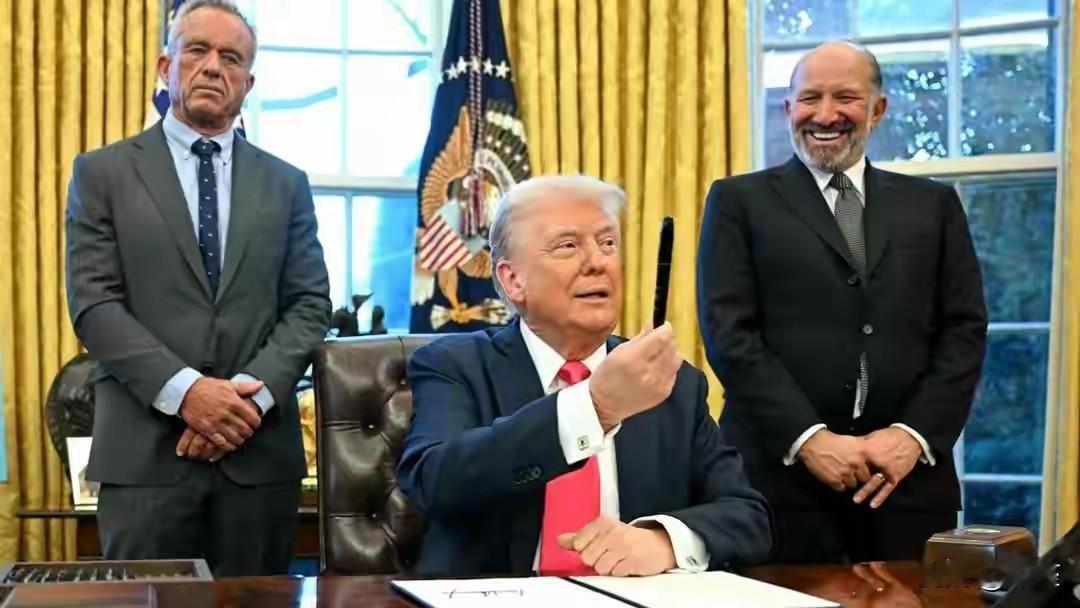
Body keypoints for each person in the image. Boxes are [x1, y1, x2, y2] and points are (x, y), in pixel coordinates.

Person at [65, 0, 331, 575]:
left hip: (258, 460)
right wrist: (188, 394)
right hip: (145, 461)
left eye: (231, 58)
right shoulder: (102, 173)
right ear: (166, 67)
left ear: (248, 84)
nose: (213, 67)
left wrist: (245, 403)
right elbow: (94, 304)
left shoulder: (287, 184)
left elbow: (310, 305)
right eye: (198, 51)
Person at [696, 41, 988, 563]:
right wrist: (810, 440)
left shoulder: (934, 205)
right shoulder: (739, 202)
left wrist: (911, 437)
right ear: (788, 108)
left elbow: (963, 333)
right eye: (810, 98)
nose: (826, 115)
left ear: (877, 109)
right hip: (776, 488)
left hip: (907, 489)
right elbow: (729, 335)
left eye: (845, 97)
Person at [398, 175, 771, 577]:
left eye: (607, 243)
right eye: (568, 246)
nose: (598, 262)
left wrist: (664, 541)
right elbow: (434, 481)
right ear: (513, 279)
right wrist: (593, 408)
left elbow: (748, 517)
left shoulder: (670, 383)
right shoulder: (454, 364)